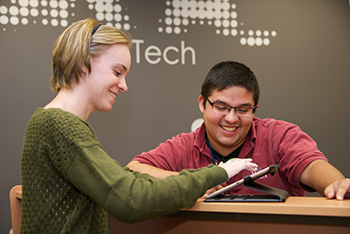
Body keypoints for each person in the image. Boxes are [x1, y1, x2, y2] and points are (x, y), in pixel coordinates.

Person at [20, 19, 258, 233]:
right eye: (117, 72)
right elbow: (131, 199)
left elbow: (125, 181)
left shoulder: (54, 123)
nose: (123, 85)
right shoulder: (61, 126)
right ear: (83, 63)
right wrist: (219, 172)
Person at [127, 61, 350, 200]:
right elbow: (134, 169)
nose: (231, 118)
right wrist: (194, 182)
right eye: (221, 107)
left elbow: (312, 166)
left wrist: (335, 184)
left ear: (254, 109)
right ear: (202, 103)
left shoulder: (279, 135)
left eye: (243, 109)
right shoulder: (184, 145)